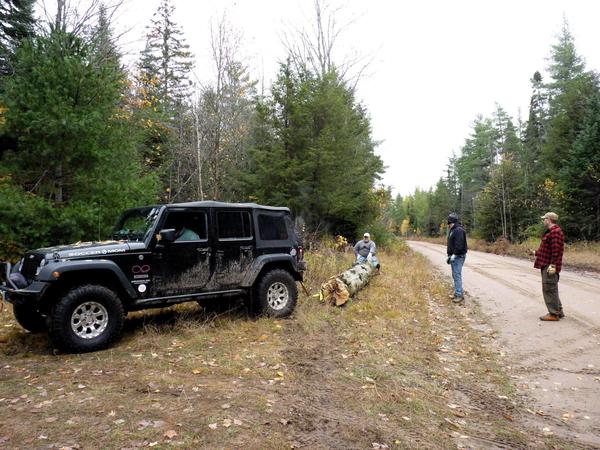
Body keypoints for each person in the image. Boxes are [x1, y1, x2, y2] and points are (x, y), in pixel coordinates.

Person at [533, 212, 565, 321]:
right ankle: (558, 311)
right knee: (552, 288)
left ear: (549, 219)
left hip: (550, 265)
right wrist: (534, 252)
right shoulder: (551, 232)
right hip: (547, 263)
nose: (543, 221)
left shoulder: (555, 232)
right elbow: (546, 251)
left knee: (549, 288)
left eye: (544, 219)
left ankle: (553, 314)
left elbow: (556, 252)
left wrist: (552, 267)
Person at [446, 213, 467, 302]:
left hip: (458, 256)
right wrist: (450, 255)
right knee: (455, 275)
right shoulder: (453, 229)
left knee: (457, 275)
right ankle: (457, 292)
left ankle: (459, 295)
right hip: (454, 256)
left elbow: (459, 245)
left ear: (453, 222)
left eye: (449, 222)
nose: (448, 224)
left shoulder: (458, 230)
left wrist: (454, 255)